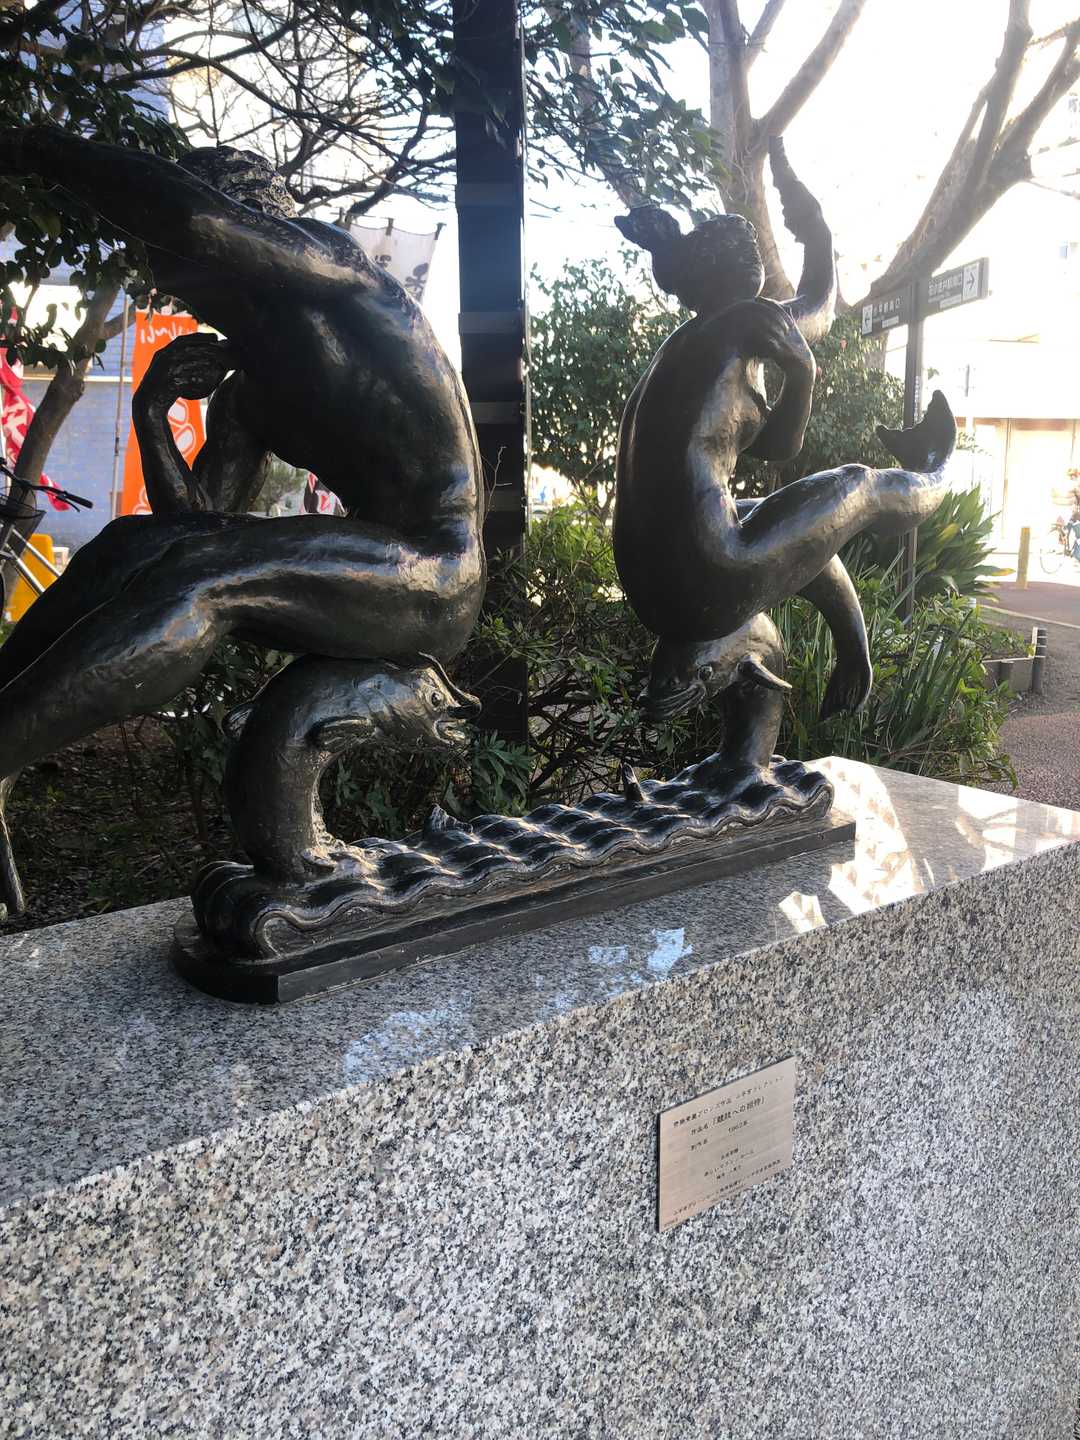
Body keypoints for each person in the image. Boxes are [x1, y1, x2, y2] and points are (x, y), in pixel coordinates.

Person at [0, 127, 486, 912]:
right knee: (132, 544)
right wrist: (153, 415)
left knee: (204, 575)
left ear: (256, 245)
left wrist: (35, 149)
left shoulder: (344, 278)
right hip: (365, 575)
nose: (185, 296)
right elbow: (194, 526)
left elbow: (197, 219)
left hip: (436, 576)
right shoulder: (249, 392)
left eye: (191, 274)